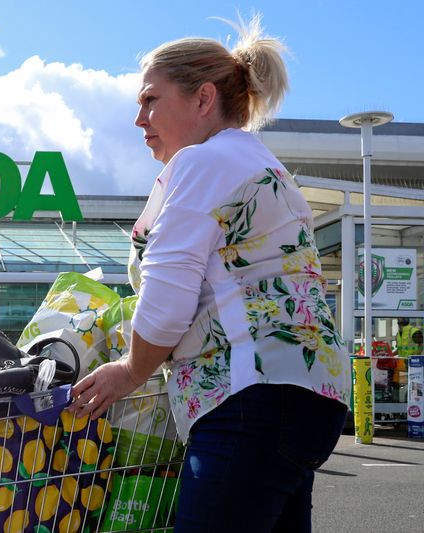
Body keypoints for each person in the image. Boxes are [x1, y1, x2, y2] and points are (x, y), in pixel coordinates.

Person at [69, 15, 350, 532]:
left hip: (249, 397)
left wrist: (131, 371)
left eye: (150, 100)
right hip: (302, 393)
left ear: (202, 99)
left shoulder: (204, 163)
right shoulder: (258, 164)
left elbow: (168, 296)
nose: (139, 119)